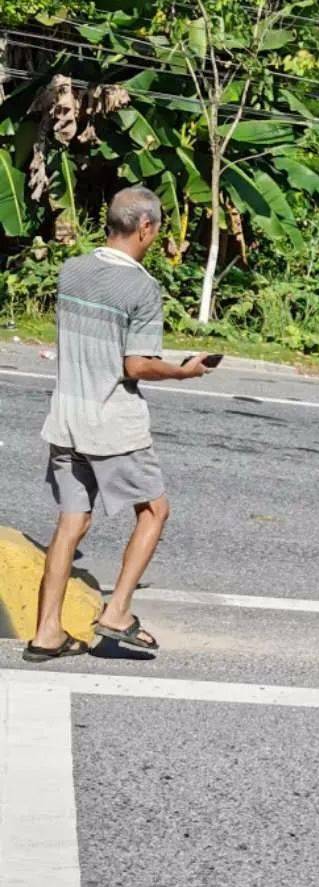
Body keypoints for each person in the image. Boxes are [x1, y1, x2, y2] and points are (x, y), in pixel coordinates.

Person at [26, 186, 217, 663]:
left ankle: (47, 632)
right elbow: (135, 365)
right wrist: (184, 369)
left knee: (72, 522)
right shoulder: (141, 287)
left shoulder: (73, 270)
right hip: (112, 421)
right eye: (157, 229)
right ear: (146, 228)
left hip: (66, 417)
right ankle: (117, 612)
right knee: (154, 511)